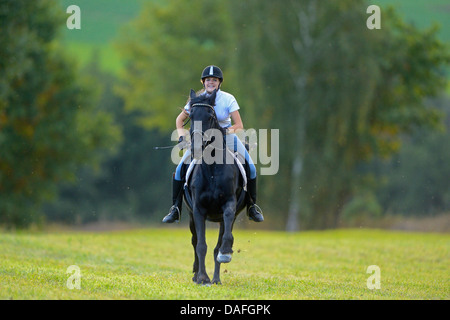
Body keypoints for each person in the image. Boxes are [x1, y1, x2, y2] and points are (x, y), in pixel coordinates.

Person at [162, 65, 264, 224]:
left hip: (225, 136)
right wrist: (182, 136)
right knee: (179, 168)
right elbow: (179, 120)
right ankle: (175, 208)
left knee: (250, 166)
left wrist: (225, 131)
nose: (211, 82)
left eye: (214, 80)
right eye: (208, 80)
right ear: (203, 82)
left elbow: (239, 125)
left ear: (219, 83)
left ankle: (252, 206)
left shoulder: (228, 99)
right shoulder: (196, 99)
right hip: (200, 139)